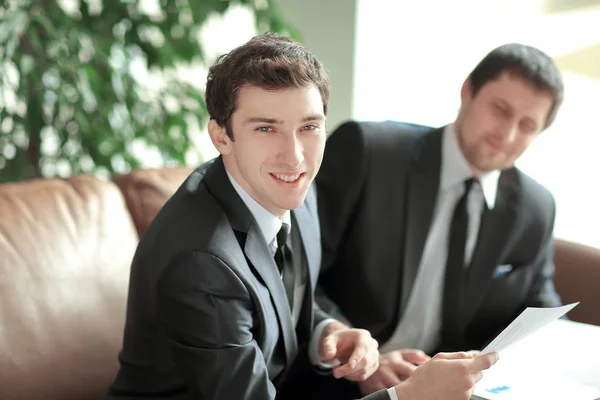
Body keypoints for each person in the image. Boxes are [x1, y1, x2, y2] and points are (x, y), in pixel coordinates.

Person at [105, 33, 498, 400]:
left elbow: (285, 298)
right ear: (221, 135)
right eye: (266, 128)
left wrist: (332, 333)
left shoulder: (294, 190)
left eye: (308, 126)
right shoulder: (201, 263)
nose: (294, 156)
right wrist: (408, 396)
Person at [315, 43, 564, 396]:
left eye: (526, 125)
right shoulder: (368, 152)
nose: (506, 135)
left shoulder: (536, 207)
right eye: (500, 109)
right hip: (341, 381)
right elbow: (295, 274)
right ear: (467, 91)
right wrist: (361, 355)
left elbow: (542, 311)